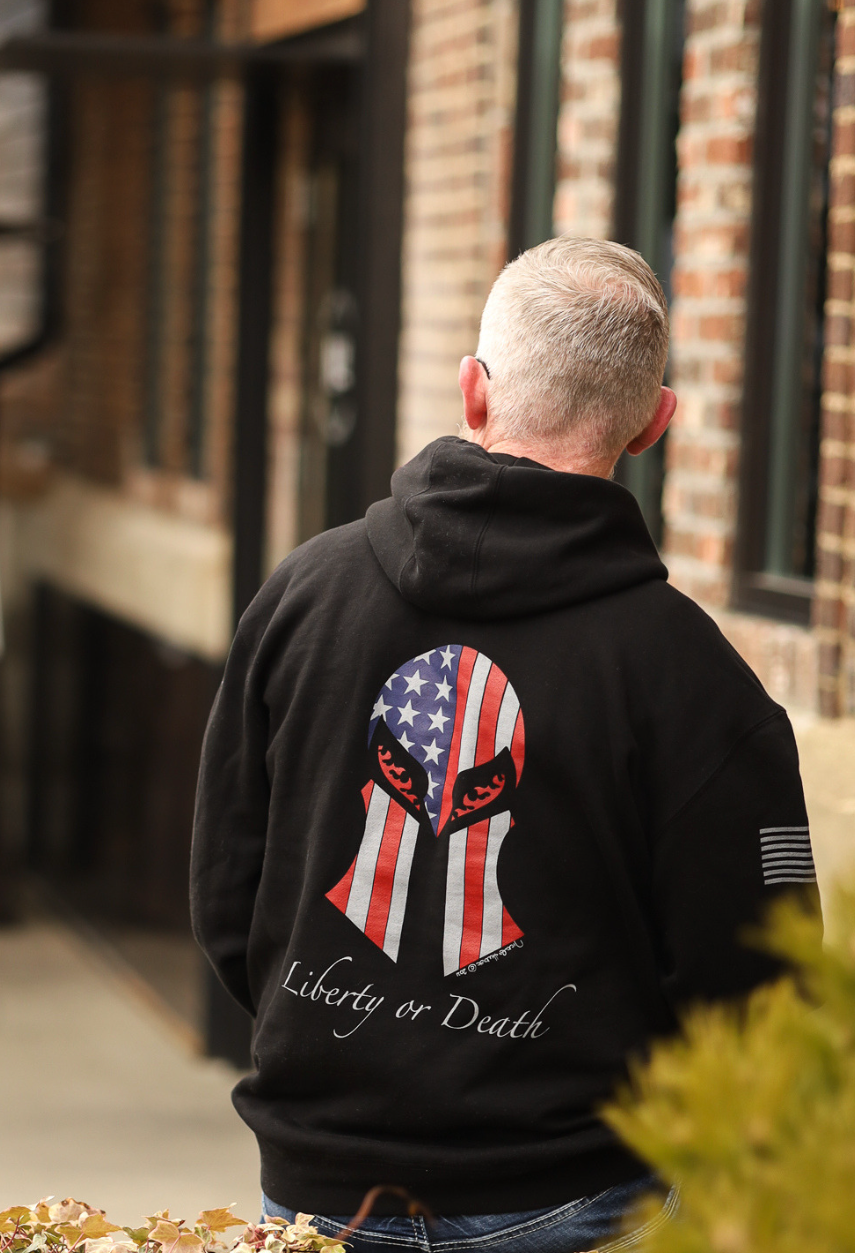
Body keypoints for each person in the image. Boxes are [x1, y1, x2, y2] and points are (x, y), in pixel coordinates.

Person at [190, 237, 818, 1253]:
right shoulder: (695, 679)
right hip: (580, 1197)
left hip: (316, 1187)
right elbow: (763, 983)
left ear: (473, 392)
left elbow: (227, 898)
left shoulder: (301, 599)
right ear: (655, 425)